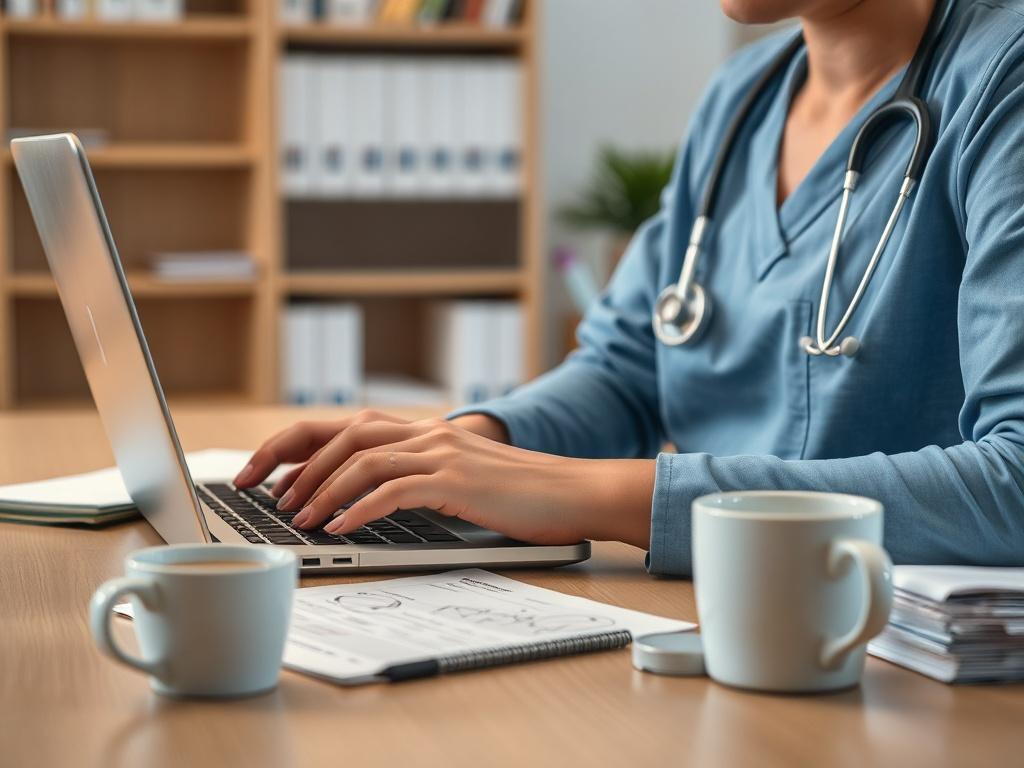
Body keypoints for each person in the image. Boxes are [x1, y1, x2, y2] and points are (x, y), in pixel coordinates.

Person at [236, 0, 1024, 575]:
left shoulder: (1001, 80)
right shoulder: (740, 100)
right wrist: (467, 446)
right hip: (713, 615)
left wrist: (599, 495)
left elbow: (1013, 483)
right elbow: (625, 374)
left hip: (892, 659)